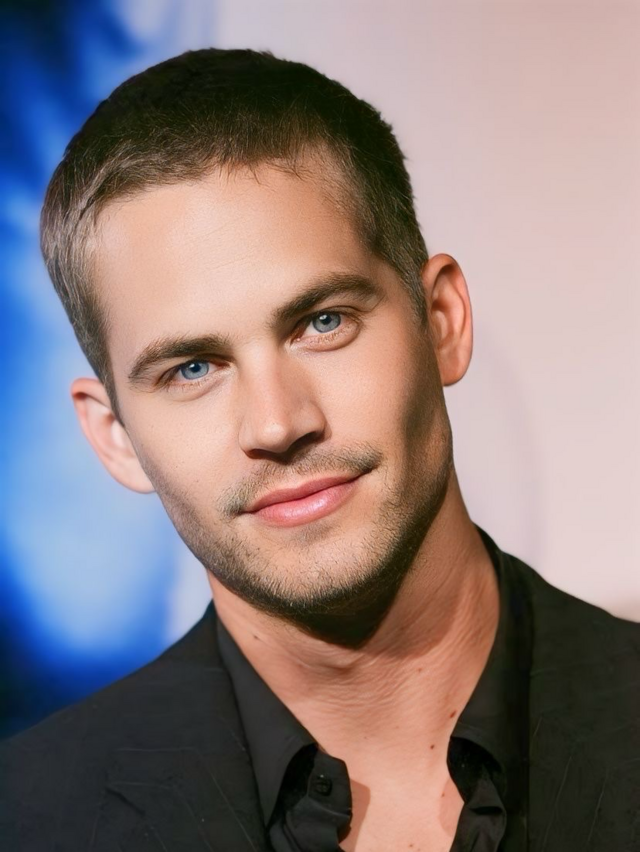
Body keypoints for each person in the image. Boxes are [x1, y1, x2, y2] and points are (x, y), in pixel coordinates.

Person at [1, 48, 637, 852]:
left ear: (441, 321)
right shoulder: (28, 823)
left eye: (322, 323)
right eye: (193, 368)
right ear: (113, 436)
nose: (276, 424)